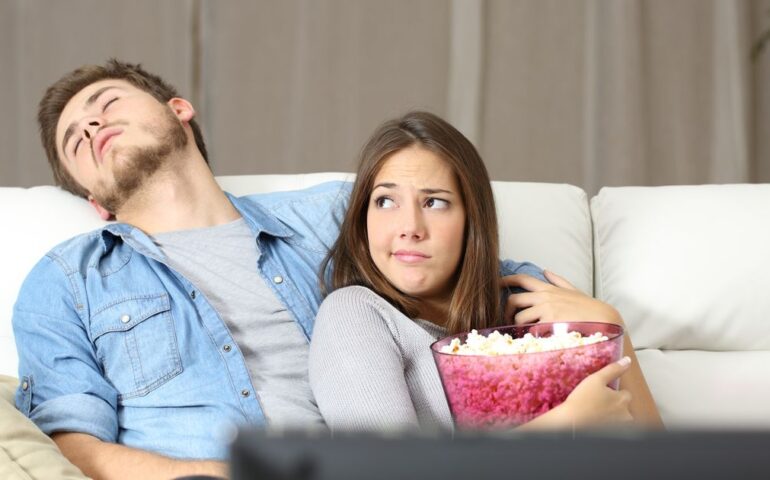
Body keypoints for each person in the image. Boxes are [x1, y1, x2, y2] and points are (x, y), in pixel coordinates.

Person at [13, 59, 350, 480]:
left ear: (179, 108)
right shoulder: (66, 281)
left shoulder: (333, 215)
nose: (92, 126)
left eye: (109, 102)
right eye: (76, 142)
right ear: (94, 201)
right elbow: (75, 451)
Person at [308, 111, 663, 432]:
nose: (410, 227)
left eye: (434, 202)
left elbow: (659, 459)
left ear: (470, 221)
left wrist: (611, 325)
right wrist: (565, 423)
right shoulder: (354, 314)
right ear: (362, 219)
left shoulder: (525, 308)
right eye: (386, 200)